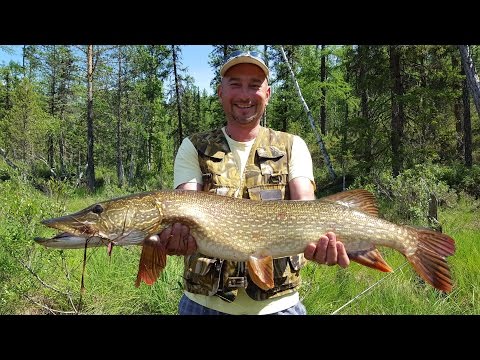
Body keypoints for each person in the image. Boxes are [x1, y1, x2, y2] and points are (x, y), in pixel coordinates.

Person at [158, 50, 349, 315]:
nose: (245, 95)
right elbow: (186, 204)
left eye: (255, 85)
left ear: (267, 94)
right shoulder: (193, 146)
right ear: (220, 92)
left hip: (280, 307)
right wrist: (177, 234)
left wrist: (320, 242)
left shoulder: (293, 145)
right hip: (203, 306)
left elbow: (307, 203)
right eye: (235, 84)